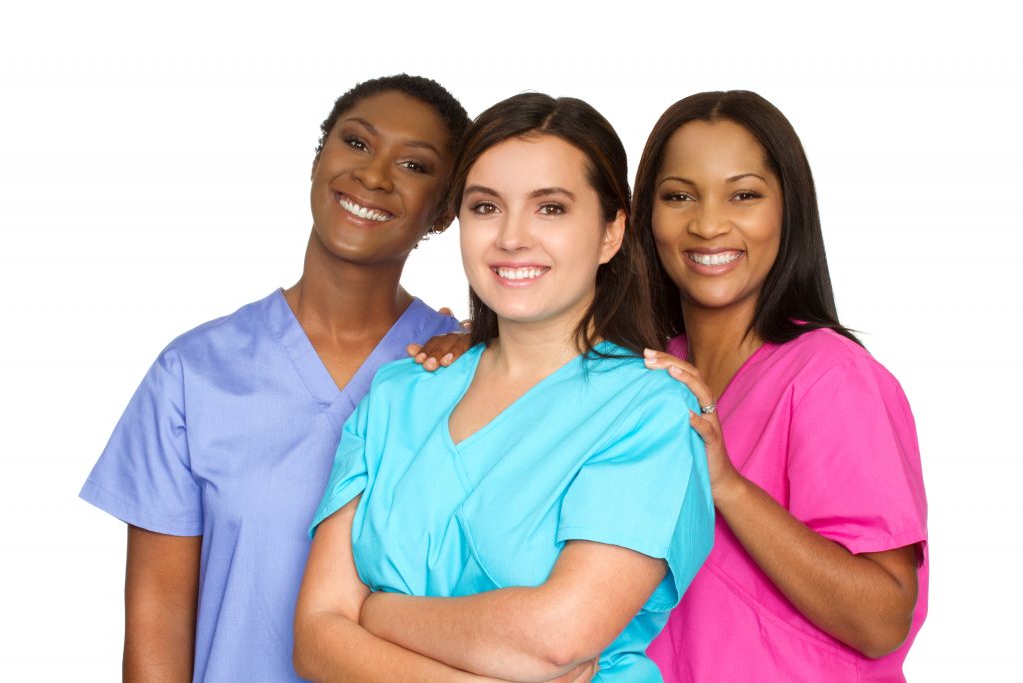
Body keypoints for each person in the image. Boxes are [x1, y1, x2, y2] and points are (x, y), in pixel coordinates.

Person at [293, 93, 715, 682]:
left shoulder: (651, 410)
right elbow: (316, 638)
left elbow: (556, 639)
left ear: (610, 233)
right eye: (486, 207)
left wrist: (378, 613)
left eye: (550, 209)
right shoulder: (399, 394)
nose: (512, 237)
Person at [79, 74, 470, 682]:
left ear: (445, 211)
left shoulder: (462, 369)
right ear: (320, 158)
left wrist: (491, 343)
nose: (373, 175)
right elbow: (158, 620)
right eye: (357, 144)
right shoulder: (194, 373)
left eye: (414, 164)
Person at [634, 91, 928, 681]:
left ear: (788, 211)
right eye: (678, 196)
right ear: (644, 219)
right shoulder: (641, 376)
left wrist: (728, 486)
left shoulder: (830, 377)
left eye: (743, 195)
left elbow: (881, 620)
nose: (708, 223)